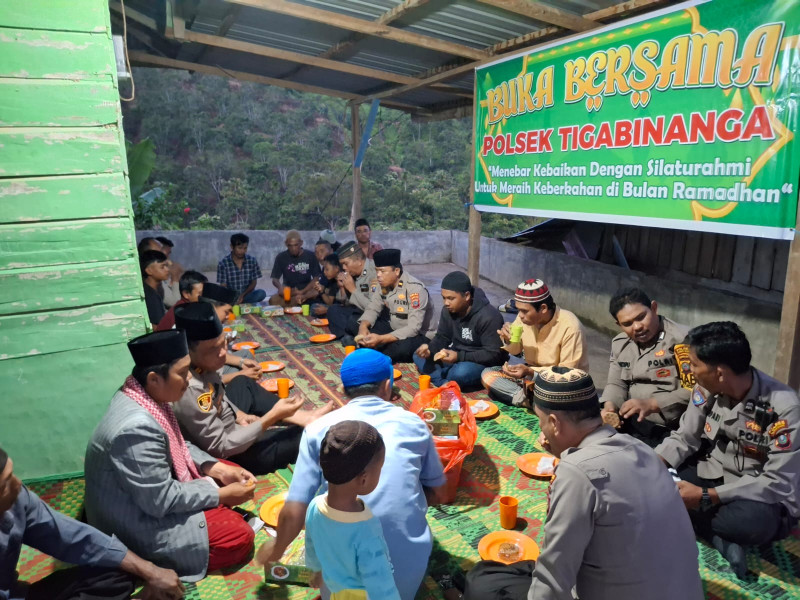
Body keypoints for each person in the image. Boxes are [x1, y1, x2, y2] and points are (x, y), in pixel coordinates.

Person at [462, 367, 703, 600]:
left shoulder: (576, 473)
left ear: (554, 423)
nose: (542, 431)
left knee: (483, 584)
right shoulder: (643, 449)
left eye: (542, 421)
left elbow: (553, 575)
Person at [261, 349, 447, 600]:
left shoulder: (318, 429)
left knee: (322, 490)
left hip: (342, 581)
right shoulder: (415, 424)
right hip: (407, 572)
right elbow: (438, 492)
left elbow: (294, 511)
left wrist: (276, 549)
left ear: (342, 388)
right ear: (387, 386)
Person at [84, 330, 258, 582]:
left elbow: (176, 442)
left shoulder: (141, 393)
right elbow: (160, 500)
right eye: (182, 372)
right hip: (136, 524)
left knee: (229, 468)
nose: (189, 379)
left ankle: (217, 499)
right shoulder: (135, 428)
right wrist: (219, 495)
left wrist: (217, 469)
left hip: (149, 494)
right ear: (154, 378)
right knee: (238, 537)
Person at [655, 321, 800, 578]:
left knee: (753, 523)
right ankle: (720, 537)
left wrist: (706, 496)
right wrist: (651, 463)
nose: (689, 370)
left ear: (720, 372)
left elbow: (777, 482)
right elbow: (685, 437)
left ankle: (701, 521)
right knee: (656, 483)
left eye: (695, 364)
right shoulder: (705, 387)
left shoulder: (783, 406)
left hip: (757, 492)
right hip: (712, 472)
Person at [0, 447, 183, 600]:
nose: (17, 485)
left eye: (12, 475)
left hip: (19, 593)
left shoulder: (18, 499)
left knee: (115, 574)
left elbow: (71, 536)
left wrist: (151, 571)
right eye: (4, 486)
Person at [172, 303, 332, 475]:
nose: (223, 353)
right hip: (230, 457)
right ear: (188, 351)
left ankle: (302, 416)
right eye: (213, 349)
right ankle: (300, 423)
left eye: (223, 344)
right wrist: (270, 418)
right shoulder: (188, 388)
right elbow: (222, 448)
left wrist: (239, 414)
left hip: (228, 427)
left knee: (242, 382)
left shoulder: (201, 364)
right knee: (305, 436)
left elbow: (218, 394)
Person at [296, 421, 400, 600]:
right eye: (380, 469)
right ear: (364, 479)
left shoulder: (314, 506)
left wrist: (314, 571)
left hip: (337, 590)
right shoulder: (366, 529)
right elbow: (380, 584)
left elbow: (311, 545)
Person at [601, 288, 692, 446]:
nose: (636, 327)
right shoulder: (620, 344)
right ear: (618, 324)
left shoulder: (683, 341)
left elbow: (698, 391)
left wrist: (653, 404)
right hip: (631, 424)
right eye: (627, 324)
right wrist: (610, 406)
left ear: (654, 308)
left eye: (641, 317)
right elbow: (616, 384)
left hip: (671, 431)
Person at [481, 279, 588, 406]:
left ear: (543, 308)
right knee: (488, 374)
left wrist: (531, 372)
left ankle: (531, 399)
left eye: (525, 311)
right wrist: (508, 339)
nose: (520, 316)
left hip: (562, 385)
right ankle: (531, 401)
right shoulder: (524, 319)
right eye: (518, 310)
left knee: (561, 394)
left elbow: (566, 375)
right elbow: (515, 350)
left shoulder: (570, 327)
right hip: (531, 378)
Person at [414, 271, 506, 391]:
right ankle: (445, 383)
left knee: (459, 373)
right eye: (444, 298)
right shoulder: (448, 310)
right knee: (418, 356)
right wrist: (430, 349)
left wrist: (459, 357)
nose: (446, 303)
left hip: (483, 362)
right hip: (457, 355)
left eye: (451, 298)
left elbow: (493, 354)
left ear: (467, 296)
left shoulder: (489, 316)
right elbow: (443, 337)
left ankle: (446, 378)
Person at [355, 249, 433, 363]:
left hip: (417, 335)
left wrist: (381, 339)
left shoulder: (415, 289)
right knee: (355, 321)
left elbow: (413, 328)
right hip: (393, 329)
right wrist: (363, 327)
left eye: (382, 271)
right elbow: (373, 308)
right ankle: (377, 349)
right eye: (377, 271)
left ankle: (376, 352)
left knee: (402, 348)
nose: (378, 275)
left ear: (396, 271)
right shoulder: (382, 285)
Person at [198, 282, 261, 384]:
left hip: (213, 372)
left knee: (246, 355)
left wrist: (241, 362)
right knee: (243, 378)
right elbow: (204, 383)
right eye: (226, 312)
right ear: (212, 308)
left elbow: (218, 355)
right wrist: (240, 375)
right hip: (205, 385)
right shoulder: (196, 333)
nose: (228, 317)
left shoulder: (208, 323)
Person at [326, 241, 377, 339]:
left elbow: (373, 308)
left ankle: (351, 336)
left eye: (345, 264)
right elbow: (346, 303)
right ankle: (347, 336)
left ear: (358, 260)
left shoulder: (373, 272)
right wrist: (343, 287)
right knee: (333, 310)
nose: (344, 268)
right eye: (342, 265)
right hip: (358, 311)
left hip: (373, 316)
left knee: (353, 320)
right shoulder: (353, 273)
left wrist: (353, 289)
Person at [269, 230, 321, 306]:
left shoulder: (311, 256)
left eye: (296, 245)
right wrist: (280, 287)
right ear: (286, 244)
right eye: (290, 245)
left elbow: (316, 277)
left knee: (315, 293)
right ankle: (296, 303)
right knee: (272, 300)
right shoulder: (281, 257)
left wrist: (303, 291)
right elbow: (275, 279)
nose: (293, 248)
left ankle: (298, 302)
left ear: (301, 243)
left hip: (306, 290)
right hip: (289, 292)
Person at [217, 232, 267, 305]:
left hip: (246, 295)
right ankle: (236, 303)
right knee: (219, 297)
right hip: (231, 296)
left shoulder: (252, 261)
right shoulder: (223, 263)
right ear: (232, 247)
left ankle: (238, 304)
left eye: (245, 248)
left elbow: (253, 283)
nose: (243, 251)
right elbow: (223, 286)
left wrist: (242, 295)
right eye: (239, 248)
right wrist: (233, 297)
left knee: (261, 293)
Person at [139, 250, 169, 328]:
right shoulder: (150, 296)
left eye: (166, 266)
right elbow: (158, 327)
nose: (167, 270)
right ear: (149, 271)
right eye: (162, 267)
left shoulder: (153, 290)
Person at [155, 236, 184, 308]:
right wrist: (175, 277)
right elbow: (175, 302)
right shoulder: (157, 276)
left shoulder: (169, 268)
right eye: (166, 254)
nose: (168, 258)